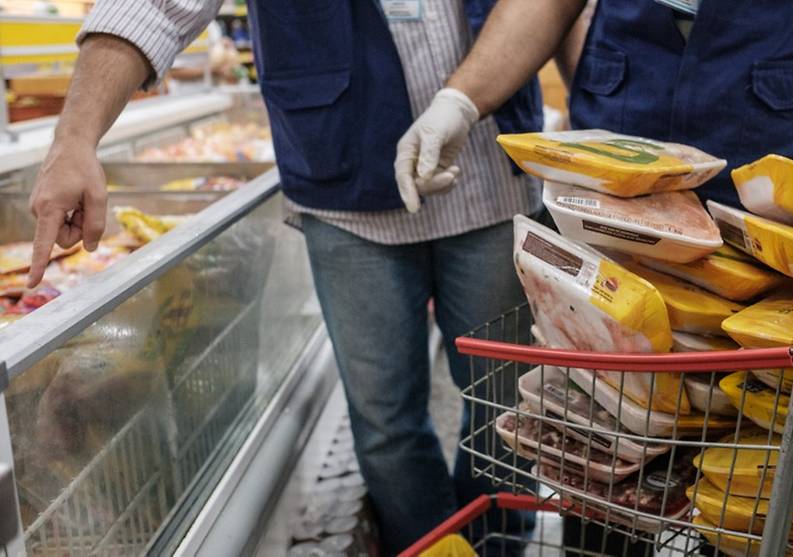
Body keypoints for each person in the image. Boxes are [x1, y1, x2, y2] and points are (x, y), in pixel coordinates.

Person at [26, 1, 544, 554]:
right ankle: (431, 548)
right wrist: (75, 138)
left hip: (490, 182)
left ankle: (501, 546)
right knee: (385, 424)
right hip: (345, 196)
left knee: (510, 411)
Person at [396, 0, 793, 227]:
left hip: (790, 156)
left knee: (770, 416)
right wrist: (462, 99)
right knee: (601, 415)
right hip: (619, 154)